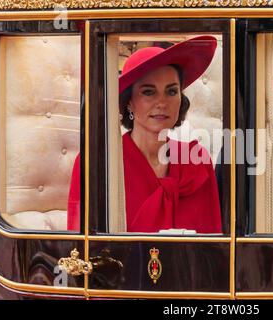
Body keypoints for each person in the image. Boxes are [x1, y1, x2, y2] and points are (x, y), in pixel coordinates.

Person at [67, 36, 222, 233]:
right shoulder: (97, 164)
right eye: (149, 92)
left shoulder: (197, 162)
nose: (162, 103)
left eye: (171, 92)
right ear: (129, 101)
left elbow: (214, 248)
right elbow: (81, 249)